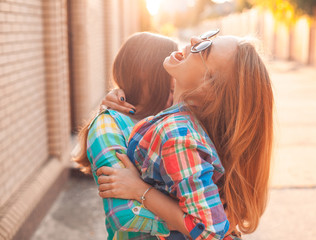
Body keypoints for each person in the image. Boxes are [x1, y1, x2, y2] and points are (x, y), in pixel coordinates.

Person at [96, 30, 274, 239]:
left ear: (208, 87)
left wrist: (140, 191)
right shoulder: (182, 121)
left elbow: (209, 232)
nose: (194, 40)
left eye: (204, 49)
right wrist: (117, 100)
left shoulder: (177, 135)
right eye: (209, 37)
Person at [74, 32, 191, 240]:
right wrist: (192, 223)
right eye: (169, 67)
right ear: (145, 72)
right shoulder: (109, 125)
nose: (176, 79)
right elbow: (125, 214)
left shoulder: (173, 116)